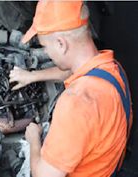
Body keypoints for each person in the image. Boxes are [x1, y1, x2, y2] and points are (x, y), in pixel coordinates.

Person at [9, 1, 132, 177]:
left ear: (61, 43)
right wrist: (32, 76)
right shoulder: (113, 70)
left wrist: (34, 140)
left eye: (45, 46)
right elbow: (72, 73)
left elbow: (43, 175)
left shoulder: (75, 103)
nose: (46, 52)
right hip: (108, 166)